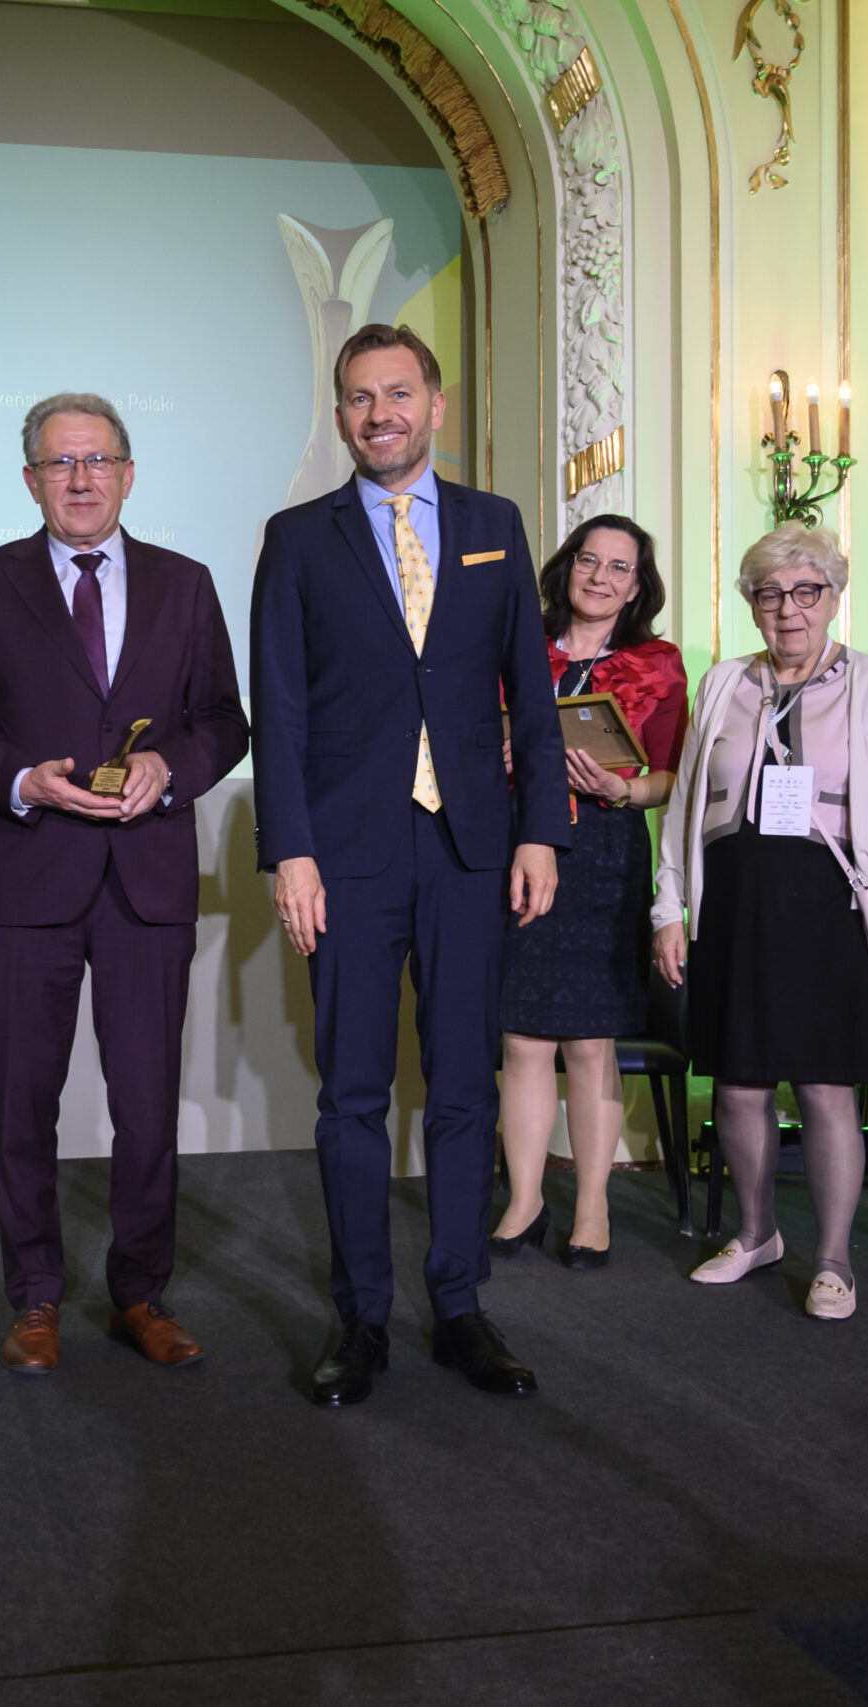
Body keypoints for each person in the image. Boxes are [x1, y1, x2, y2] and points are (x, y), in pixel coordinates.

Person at [251, 322, 569, 1407]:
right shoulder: (298, 538)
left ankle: (461, 1303)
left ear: (435, 404)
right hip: (345, 855)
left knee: (464, 1088)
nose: (378, 414)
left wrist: (540, 830)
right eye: (357, 397)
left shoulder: (493, 525)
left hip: (472, 849)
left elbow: (531, 696)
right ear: (340, 415)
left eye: (396, 393)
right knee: (351, 1096)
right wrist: (289, 852)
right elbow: (278, 710)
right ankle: (361, 1316)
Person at [0, 394, 249, 1375]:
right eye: (59, 463)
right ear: (30, 479)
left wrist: (170, 768)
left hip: (147, 878)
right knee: (25, 1099)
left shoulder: (186, 583)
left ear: (128, 473)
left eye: (97, 460)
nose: (79, 479)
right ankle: (34, 1296)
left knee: (147, 1105)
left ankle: (141, 1292)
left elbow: (224, 721)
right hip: (29, 876)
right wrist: (22, 780)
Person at [653, 525, 868, 1319]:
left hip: (830, 907)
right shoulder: (723, 682)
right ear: (751, 604)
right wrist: (668, 906)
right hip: (735, 904)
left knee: (824, 1085)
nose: (789, 609)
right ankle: (756, 1235)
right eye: (771, 593)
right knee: (739, 1083)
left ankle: (835, 1260)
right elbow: (684, 807)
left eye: (806, 591)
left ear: (833, 597)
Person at [494, 514, 687, 1269]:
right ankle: (524, 1200)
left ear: (638, 587)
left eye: (618, 568)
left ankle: (593, 1205)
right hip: (516, 845)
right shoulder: (517, 645)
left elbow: (671, 775)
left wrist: (624, 788)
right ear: (566, 565)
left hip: (604, 852)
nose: (599, 577)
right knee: (521, 1038)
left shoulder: (658, 664)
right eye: (588, 560)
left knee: (588, 1039)